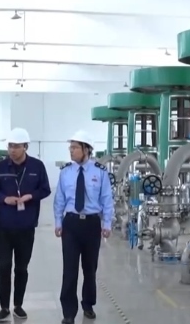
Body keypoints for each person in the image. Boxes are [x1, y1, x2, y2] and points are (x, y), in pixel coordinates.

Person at [0, 128, 52, 321]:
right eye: (10, 146)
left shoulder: (37, 166)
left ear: (25, 146)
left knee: (21, 268)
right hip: (5, 226)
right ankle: (4, 307)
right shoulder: (1, 167)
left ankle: (18, 305)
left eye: (16, 146)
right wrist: (4, 199)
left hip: (26, 226)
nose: (12, 150)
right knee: (4, 266)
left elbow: (45, 189)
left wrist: (30, 196)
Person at [53, 130, 114, 324]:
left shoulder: (100, 172)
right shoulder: (66, 172)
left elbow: (107, 199)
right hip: (71, 224)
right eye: (70, 147)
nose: (71, 151)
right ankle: (68, 312)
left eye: (75, 148)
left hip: (91, 224)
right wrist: (58, 222)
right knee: (69, 269)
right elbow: (59, 199)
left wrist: (107, 223)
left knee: (90, 268)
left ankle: (88, 304)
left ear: (86, 149)